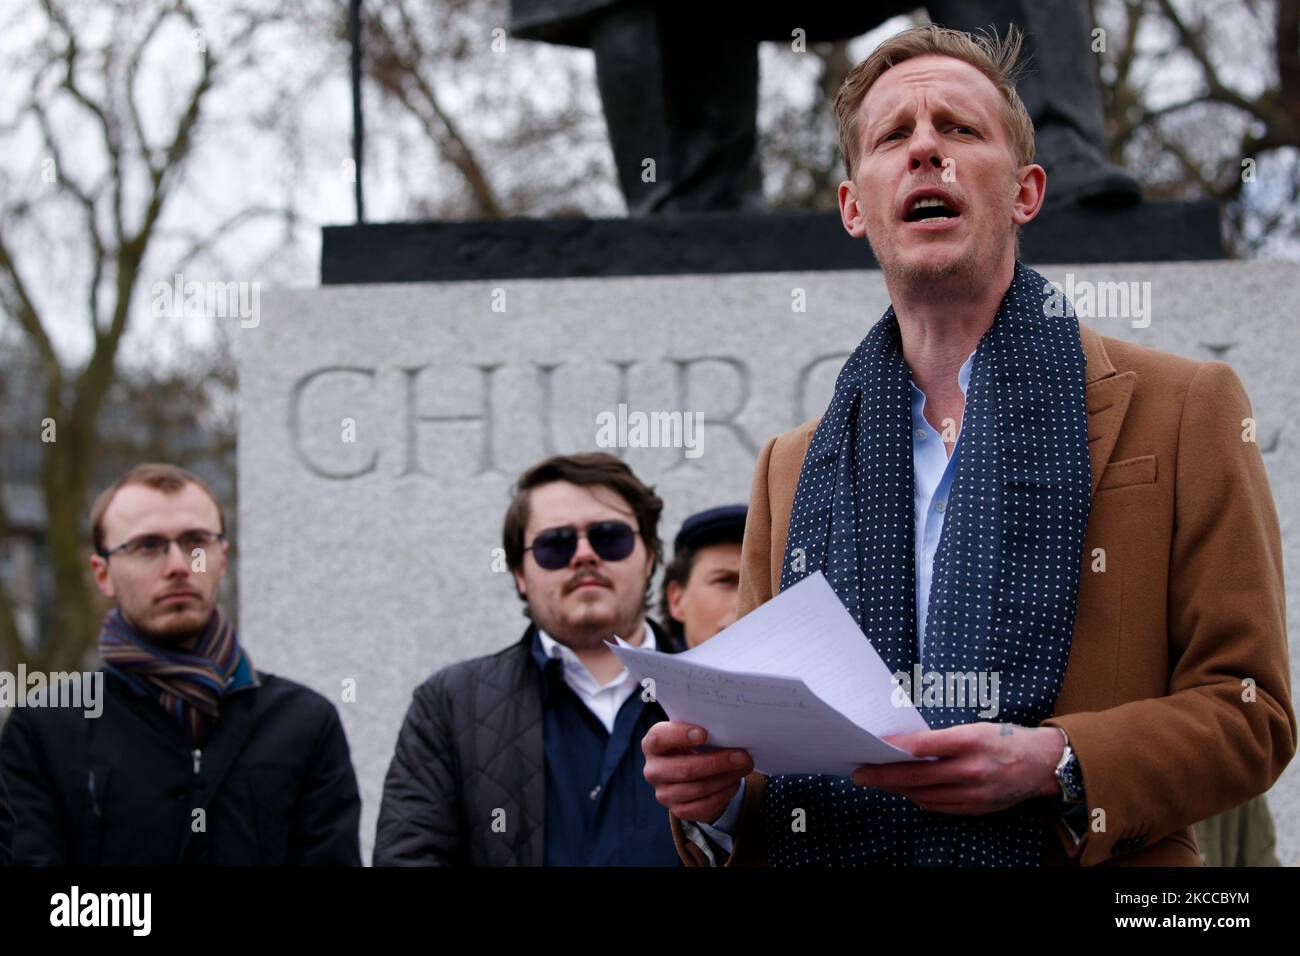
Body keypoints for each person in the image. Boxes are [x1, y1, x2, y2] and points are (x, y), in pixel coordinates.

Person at [642, 24, 1295, 867]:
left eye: (958, 128)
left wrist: (1055, 762)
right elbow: (776, 761)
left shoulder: (1186, 408)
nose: (926, 150)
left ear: (1025, 193)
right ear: (853, 207)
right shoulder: (791, 467)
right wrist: (716, 799)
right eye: (892, 136)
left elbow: (1252, 714)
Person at [0, 463, 361, 865]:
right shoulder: (47, 728)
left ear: (221, 559)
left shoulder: (304, 723)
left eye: (195, 543)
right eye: (147, 547)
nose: (177, 565)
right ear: (103, 574)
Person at [374, 452, 686, 866]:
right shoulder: (448, 704)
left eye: (610, 537)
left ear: (649, 557)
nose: (584, 555)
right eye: (554, 545)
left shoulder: (717, 692)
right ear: (520, 573)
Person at [660, 504, 746, 649]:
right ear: (677, 599)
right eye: (725, 581)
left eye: (764, 586)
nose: (748, 605)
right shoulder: (633, 671)